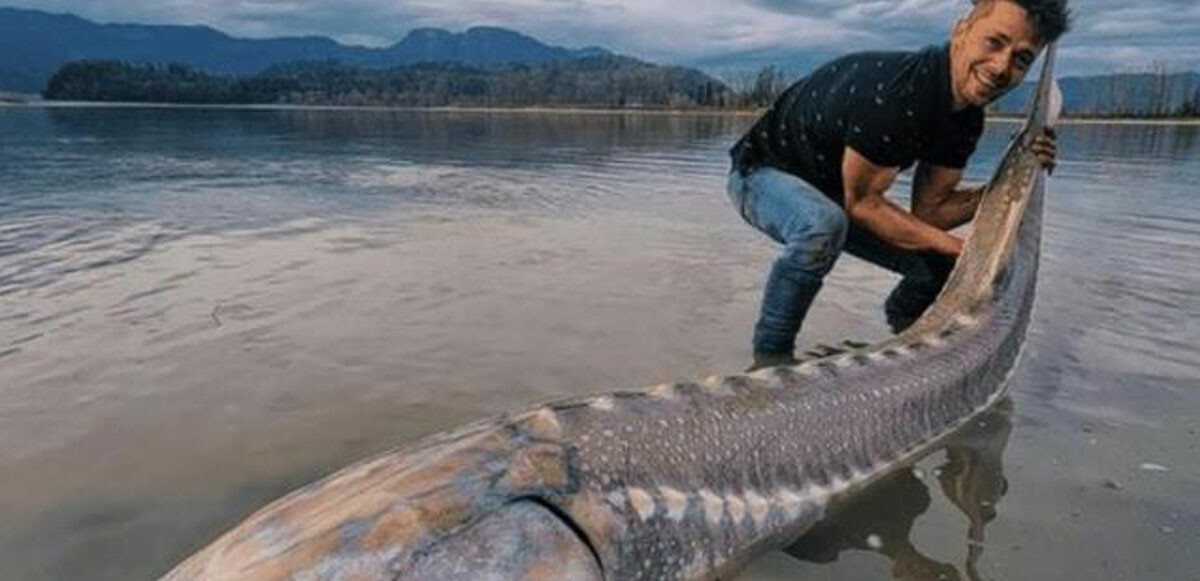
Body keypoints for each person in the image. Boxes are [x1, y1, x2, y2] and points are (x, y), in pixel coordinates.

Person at [727, 0, 1070, 370]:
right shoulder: (898, 93)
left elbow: (932, 212)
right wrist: (969, 252)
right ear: (961, 31)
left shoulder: (966, 120)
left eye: (1021, 59)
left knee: (939, 265)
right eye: (994, 42)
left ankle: (903, 338)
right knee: (821, 226)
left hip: (838, 195)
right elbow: (863, 205)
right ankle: (768, 364)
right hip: (761, 174)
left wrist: (1015, 180)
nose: (1002, 67)